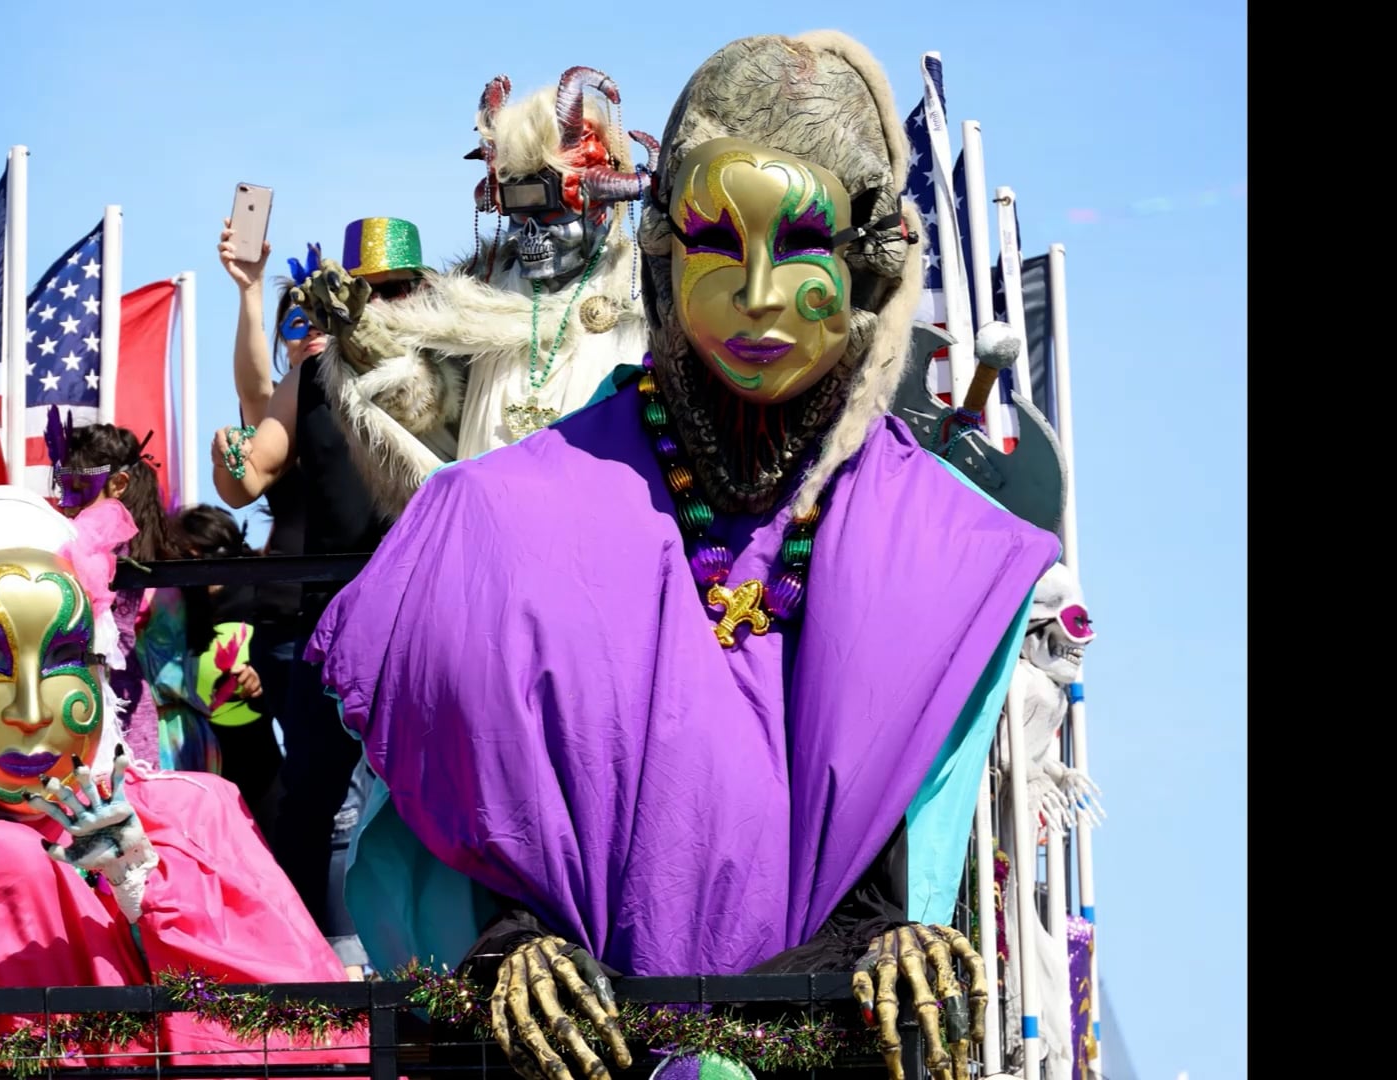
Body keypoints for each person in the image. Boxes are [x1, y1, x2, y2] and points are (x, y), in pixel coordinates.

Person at [304, 32, 1061, 1080]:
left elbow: (924, 888)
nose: (756, 291)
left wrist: (895, 942)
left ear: (865, 261)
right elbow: (453, 858)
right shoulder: (488, 525)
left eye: (799, 241)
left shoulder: (951, 552)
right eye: (717, 238)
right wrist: (509, 954)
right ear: (664, 250)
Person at [0, 485, 365, 1070]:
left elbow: (295, 1030)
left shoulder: (194, 812)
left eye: (63, 657)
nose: (30, 710)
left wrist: (146, 890)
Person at [210, 217, 431, 978]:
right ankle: (322, 975)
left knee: (434, 791)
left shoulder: (450, 364)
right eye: (365, 292)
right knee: (316, 798)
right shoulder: (313, 373)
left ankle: (443, 966)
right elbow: (254, 464)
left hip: (427, 618)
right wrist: (233, 461)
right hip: (326, 623)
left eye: (395, 289)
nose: (380, 304)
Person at [288, 68, 656, 520]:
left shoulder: (645, 296)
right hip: (488, 533)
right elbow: (432, 417)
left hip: (599, 531)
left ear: (598, 203)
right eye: (518, 211)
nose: (532, 232)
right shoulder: (476, 298)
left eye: (549, 208)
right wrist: (368, 342)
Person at [52, 417, 210, 773]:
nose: (66, 501)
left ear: (119, 484)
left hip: (115, 704)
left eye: (79, 486)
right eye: (61, 486)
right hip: (78, 697)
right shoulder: (87, 542)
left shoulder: (111, 546)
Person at [172, 503, 284, 836]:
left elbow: (283, 661)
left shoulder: (258, 599)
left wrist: (261, 674)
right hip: (195, 761)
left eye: (203, 556)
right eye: (186, 559)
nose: (199, 570)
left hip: (257, 757)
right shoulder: (175, 609)